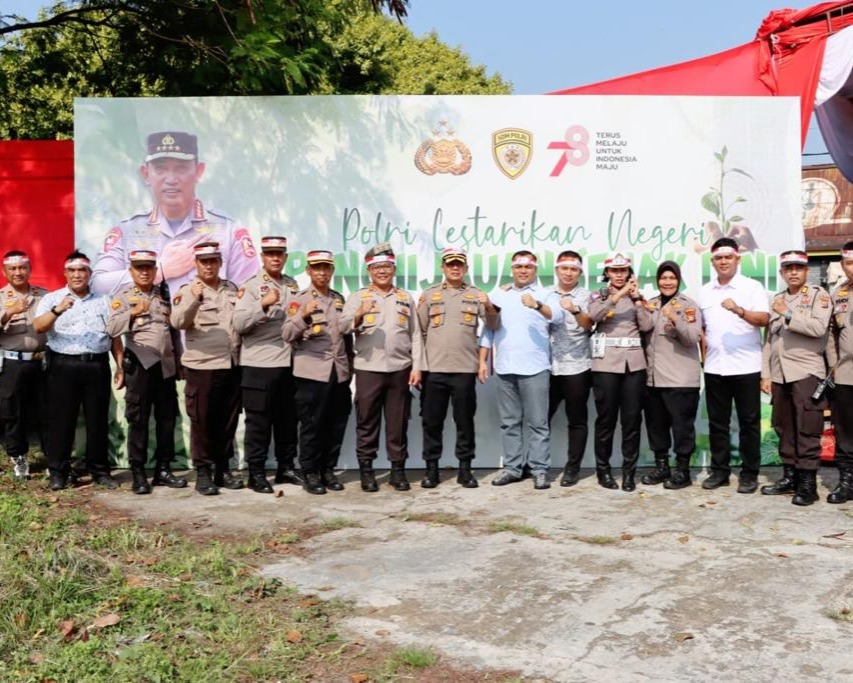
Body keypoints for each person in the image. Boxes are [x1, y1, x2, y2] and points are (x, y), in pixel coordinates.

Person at [92, 131, 258, 297]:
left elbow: (252, 296)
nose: (171, 179)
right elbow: (97, 286)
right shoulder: (127, 231)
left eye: (181, 168)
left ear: (199, 171)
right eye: (160, 168)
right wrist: (159, 270)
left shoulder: (229, 232)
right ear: (146, 174)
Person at [33, 251, 124, 491]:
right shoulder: (52, 298)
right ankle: (58, 472)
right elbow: (38, 327)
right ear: (65, 273)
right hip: (63, 365)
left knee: (98, 420)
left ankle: (100, 471)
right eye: (72, 270)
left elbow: (115, 336)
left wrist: (120, 366)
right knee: (61, 420)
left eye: (82, 270)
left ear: (89, 274)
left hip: (96, 365)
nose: (77, 275)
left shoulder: (105, 300)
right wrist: (58, 310)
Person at [341, 243, 425, 492]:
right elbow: (343, 327)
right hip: (369, 368)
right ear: (369, 271)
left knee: (398, 423)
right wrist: (359, 314)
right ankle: (367, 471)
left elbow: (416, 335)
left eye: (386, 266)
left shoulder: (404, 297)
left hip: (400, 368)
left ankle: (397, 471)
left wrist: (417, 367)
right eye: (377, 267)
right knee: (367, 422)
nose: (382, 271)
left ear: (394, 269)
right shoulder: (358, 297)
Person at [479, 250, 562, 490]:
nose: (523, 271)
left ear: (535, 270)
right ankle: (513, 468)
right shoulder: (499, 294)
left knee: (538, 423)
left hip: (535, 367)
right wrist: (482, 361)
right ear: (512, 269)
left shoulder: (546, 294)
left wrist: (537, 305)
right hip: (505, 367)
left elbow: (556, 316)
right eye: (518, 267)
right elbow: (489, 329)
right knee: (509, 423)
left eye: (528, 267)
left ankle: (539, 470)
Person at [417, 247, 499, 489]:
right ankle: (431, 469)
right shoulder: (429, 295)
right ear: (442, 268)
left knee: (464, 422)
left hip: (464, 369)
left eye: (459, 264)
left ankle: (465, 469)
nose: (455, 268)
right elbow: (418, 332)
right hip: (434, 368)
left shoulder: (476, 295)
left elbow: (493, 325)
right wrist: (418, 366)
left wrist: (489, 305)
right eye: (450, 264)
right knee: (432, 422)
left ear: (465, 268)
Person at [106, 249, 186, 494]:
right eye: (139, 267)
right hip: (140, 364)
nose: (144, 272)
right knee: (138, 420)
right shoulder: (123, 296)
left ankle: (163, 470)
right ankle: (138, 473)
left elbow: (173, 332)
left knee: (167, 419)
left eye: (148, 267)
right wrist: (132, 312)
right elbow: (112, 328)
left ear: (155, 270)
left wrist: (179, 361)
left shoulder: (164, 295)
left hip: (165, 366)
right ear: (131, 271)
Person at [699, 237, 770, 493]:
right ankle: (720, 472)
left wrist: (739, 310)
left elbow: (764, 319)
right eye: (718, 258)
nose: (723, 262)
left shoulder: (752, 287)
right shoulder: (705, 291)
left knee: (749, 423)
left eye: (728, 257)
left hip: (746, 366)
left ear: (737, 259)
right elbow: (702, 329)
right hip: (714, 367)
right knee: (717, 423)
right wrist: (704, 356)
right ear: (712, 261)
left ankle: (749, 474)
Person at [170, 241, 242, 495]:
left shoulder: (231, 289)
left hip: (231, 364)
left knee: (227, 420)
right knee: (202, 422)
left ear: (220, 262)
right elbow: (178, 321)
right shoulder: (188, 290)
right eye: (204, 262)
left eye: (213, 261)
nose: (209, 266)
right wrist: (194, 300)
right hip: (202, 367)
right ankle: (203, 472)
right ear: (196, 264)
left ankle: (223, 470)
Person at [760, 250, 831, 506]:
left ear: (806, 271)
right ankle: (790, 477)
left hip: (806, 372)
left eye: (798, 268)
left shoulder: (818, 296)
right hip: (780, 375)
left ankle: (808, 484)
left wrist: (788, 313)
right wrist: (766, 374)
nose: (793, 272)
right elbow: (770, 340)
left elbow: (818, 328)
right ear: (782, 272)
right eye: (788, 268)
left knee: (807, 428)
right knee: (784, 427)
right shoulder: (778, 299)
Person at [233, 236, 302, 494]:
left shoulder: (292, 285)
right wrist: (262, 304)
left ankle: (286, 468)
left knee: (287, 421)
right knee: (259, 424)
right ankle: (256, 474)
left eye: (279, 253)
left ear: (285, 257)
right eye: (270, 253)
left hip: (288, 363)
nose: (275, 257)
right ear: (262, 257)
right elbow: (239, 324)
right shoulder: (250, 287)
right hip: (259, 365)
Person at [282, 250, 353, 495]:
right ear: (308, 271)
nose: (322, 272)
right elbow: (287, 334)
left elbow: (346, 338)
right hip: (312, 373)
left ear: (332, 271)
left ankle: (328, 470)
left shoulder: (338, 299)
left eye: (326, 268)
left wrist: (349, 367)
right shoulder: (299, 299)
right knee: (312, 426)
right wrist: (303, 315)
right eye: (317, 268)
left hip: (338, 371)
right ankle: (310, 472)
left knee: (336, 423)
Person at [587, 252, 654, 491]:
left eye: (623, 270)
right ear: (607, 273)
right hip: (606, 364)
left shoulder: (637, 297)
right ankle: (603, 471)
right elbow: (593, 316)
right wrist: (618, 295)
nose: (619, 274)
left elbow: (647, 325)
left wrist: (636, 299)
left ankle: (629, 473)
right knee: (606, 420)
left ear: (628, 273)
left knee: (632, 420)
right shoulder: (599, 295)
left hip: (633, 364)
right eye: (614, 270)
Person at [641, 261, 703, 490]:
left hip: (680, 379)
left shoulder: (688, 306)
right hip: (653, 379)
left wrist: (675, 319)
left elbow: (692, 338)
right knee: (656, 427)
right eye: (663, 278)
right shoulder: (651, 304)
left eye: (672, 278)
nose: (667, 282)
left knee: (682, 429)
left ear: (679, 280)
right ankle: (662, 467)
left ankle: (683, 471)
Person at [547, 250, 593, 487]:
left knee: (577, 421)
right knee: (540, 420)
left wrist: (575, 309)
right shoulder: (545, 294)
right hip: (548, 367)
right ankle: (535, 464)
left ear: (580, 272)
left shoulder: (587, 296)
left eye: (573, 269)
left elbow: (589, 325)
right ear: (557, 270)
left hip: (578, 367)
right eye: (564, 268)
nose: (568, 273)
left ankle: (572, 468)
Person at [0, 251, 47, 479]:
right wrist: (9, 312)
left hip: (43, 362)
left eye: (22, 267)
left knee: (48, 411)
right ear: (4, 272)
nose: (18, 272)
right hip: (13, 363)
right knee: (13, 413)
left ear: (29, 269)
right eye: (13, 268)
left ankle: (54, 459)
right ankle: (18, 457)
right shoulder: (1, 297)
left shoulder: (44, 296)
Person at [827, 241, 853, 504]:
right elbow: (831, 334)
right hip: (846, 374)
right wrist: (834, 364)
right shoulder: (838, 294)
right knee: (845, 431)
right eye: (849, 263)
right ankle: (847, 482)